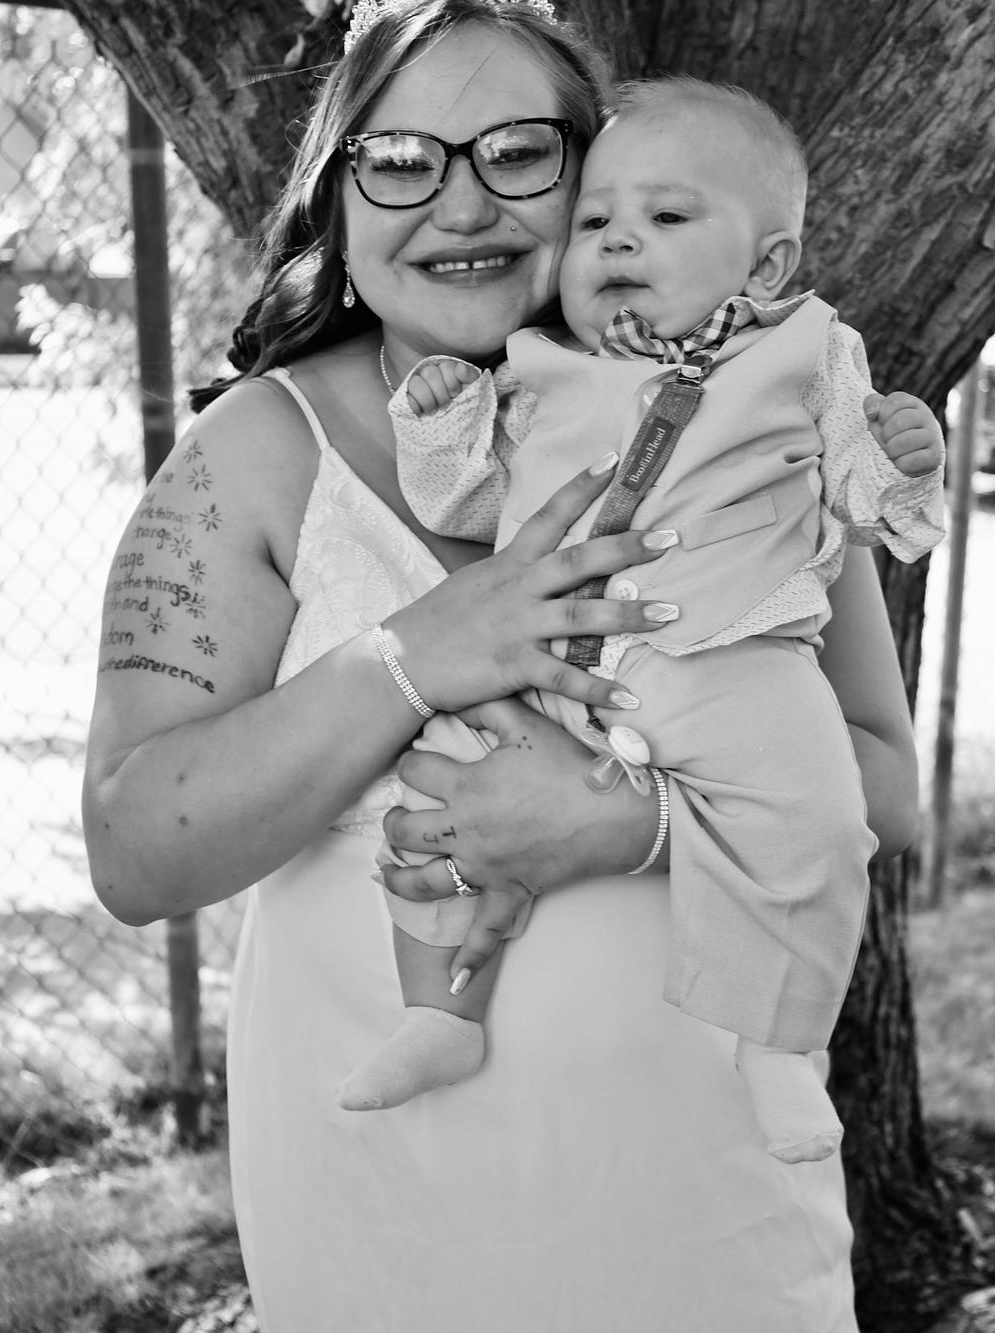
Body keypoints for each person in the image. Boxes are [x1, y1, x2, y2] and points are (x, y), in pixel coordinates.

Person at [82, 3, 920, 1329]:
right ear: (337, 198)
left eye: (520, 152)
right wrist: (415, 657)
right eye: (400, 160)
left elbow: (882, 779)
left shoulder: (750, 422)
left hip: (716, 1229)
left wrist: (633, 823)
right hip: (393, 1237)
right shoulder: (256, 454)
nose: (462, 205)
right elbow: (135, 851)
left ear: (598, 174)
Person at [340, 75, 945, 1167]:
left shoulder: (807, 349)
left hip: (728, 656)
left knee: (811, 810)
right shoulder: (539, 370)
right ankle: (436, 1012)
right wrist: (439, 432)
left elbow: (861, 499)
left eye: (666, 217)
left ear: (766, 265)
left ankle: (777, 1041)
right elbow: (470, 505)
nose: (620, 240)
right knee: (434, 792)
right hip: (544, 671)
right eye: (595, 222)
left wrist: (900, 464)